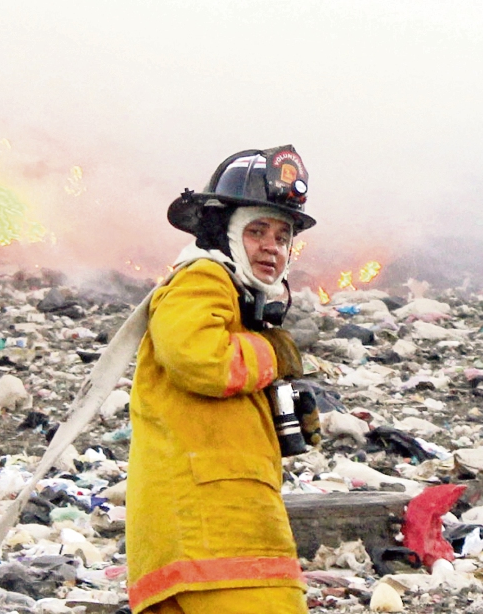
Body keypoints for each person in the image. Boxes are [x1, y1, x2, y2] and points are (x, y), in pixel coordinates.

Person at [126, 146, 317, 614]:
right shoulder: (204, 277)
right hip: (215, 539)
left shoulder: (237, 299)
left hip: (206, 541)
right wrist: (274, 352)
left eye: (282, 235)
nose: (272, 246)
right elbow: (201, 360)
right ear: (224, 232)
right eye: (256, 231)